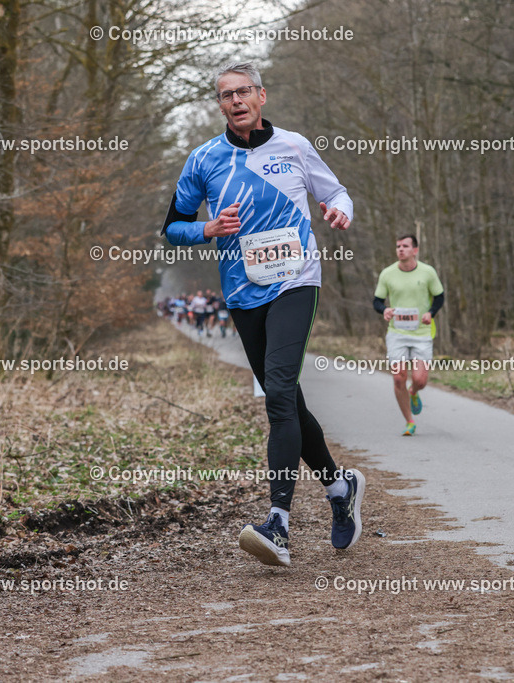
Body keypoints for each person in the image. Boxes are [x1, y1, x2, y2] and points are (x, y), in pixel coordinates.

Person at [160, 61, 364, 567]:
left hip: (296, 281)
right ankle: (339, 487)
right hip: (243, 290)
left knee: (276, 392)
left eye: (244, 91)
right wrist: (206, 230)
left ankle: (279, 522)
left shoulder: (293, 145)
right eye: (226, 95)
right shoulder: (203, 159)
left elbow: (334, 191)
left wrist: (341, 210)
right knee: (286, 395)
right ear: (220, 104)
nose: (236, 100)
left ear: (261, 96)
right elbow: (173, 226)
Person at [373, 234, 444, 436]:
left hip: (421, 332)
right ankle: (409, 421)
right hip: (397, 332)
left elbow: (439, 296)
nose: (400, 249)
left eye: (405, 246)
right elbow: (377, 301)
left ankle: (413, 392)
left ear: (415, 250)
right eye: (398, 246)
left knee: (420, 380)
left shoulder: (427, 272)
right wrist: (384, 310)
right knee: (398, 378)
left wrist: (431, 313)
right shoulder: (387, 274)